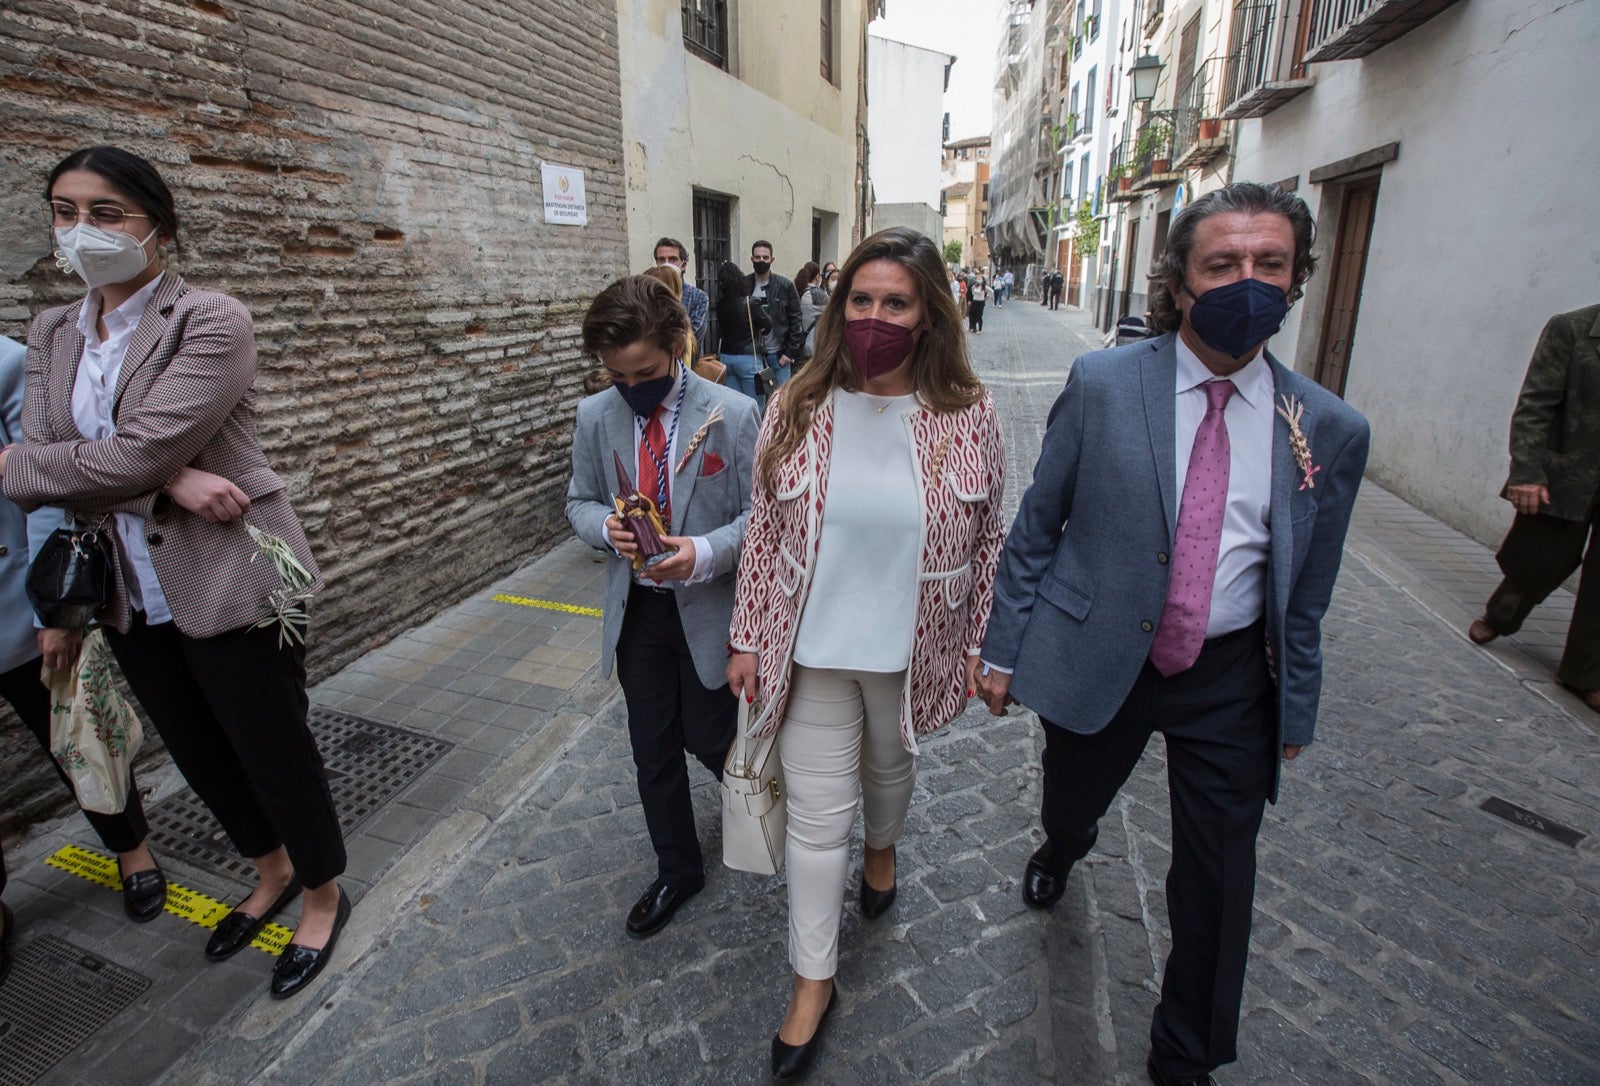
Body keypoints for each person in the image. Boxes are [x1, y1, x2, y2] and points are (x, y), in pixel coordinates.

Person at [978, 182, 1370, 1086]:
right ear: (1181, 282)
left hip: (1230, 680)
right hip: (1100, 653)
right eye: (1223, 264)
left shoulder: (1330, 431)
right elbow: (1038, 525)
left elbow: (1308, 590)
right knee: (1071, 800)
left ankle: (1185, 1057)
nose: (1249, 281)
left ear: (1297, 279)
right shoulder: (1106, 384)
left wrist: (1295, 704)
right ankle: (1062, 845)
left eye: (1270, 264)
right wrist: (1002, 648)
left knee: (1219, 879)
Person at [1, 146, 349, 1001]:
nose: (83, 230)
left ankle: (321, 894)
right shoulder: (50, 332)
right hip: (123, 590)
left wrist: (86, 466)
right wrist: (167, 479)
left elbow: (115, 450)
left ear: (157, 224)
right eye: (65, 210)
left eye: (107, 212)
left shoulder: (209, 319)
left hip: (230, 572)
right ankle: (266, 871)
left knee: (274, 749)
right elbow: (107, 457)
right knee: (197, 749)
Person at [727, 227, 1007, 1079]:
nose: (874, 317)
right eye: (861, 299)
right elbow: (766, 532)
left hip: (913, 650)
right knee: (818, 826)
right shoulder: (796, 404)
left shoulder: (969, 413)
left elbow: (993, 536)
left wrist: (985, 640)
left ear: (928, 316)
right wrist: (746, 635)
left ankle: (884, 851)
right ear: (839, 305)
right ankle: (813, 983)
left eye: (896, 303)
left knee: (890, 777)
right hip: (808, 648)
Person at [565, 275, 760, 939]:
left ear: (677, 345)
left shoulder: (732, 415)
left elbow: (763, 520)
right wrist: (604, 531)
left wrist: (704, 552)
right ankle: (678, 868)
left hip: (708, 610)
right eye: (615, 375)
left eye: (644, 371)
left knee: (711, 736)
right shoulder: (596, 416)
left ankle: (759, 802)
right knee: (652, 749)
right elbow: (579, 501)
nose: (631, 386)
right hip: (639, 614)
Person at [1, 333, 169, 985]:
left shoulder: (10, 363)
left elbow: (51, 486)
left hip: (19, 605)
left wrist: (57, 612)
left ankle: (132, 850)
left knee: (77, 735)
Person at [1468, 303, 1600, 710]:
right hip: (1570, 474)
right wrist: (1527, 471)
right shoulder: (1573, 329)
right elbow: (1535, 404)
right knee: (1542, 558)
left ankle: (1586, 673)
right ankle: (1502, 614)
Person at [747, 241, 805, 390]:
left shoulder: (785, 286)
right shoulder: (744, 284)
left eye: (765, 258)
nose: (761, 261)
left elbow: (796, 319)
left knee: (781, 403)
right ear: (752, 259)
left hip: (778, 355)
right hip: (753, 355)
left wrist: (789, 353)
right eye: (757, 257)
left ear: (772, 260)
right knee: (757, 404)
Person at [715, 260, 767, 401]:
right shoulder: (751, 303)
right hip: (749, 358)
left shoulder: (720, 305)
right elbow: (767, 324)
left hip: (727, 357)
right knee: (756, 405)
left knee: (736, 405)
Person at [654, 236, 708, 349]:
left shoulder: (698, 297)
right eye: (661, 259)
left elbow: (694, 336)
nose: (666, 264)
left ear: (683, 265)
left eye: (672, 259)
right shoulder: (648, 294)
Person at [794, 261, 826, 367]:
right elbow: (835, 310)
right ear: (817, 277)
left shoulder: (797, 290)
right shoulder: (817, 293)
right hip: (813, 346)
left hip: (798, 345)